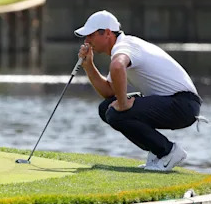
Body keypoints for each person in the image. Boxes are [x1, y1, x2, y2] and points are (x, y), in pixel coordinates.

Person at [76, 10, 201, 171]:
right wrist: (89, 66)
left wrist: (123, 104)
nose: (87, 40)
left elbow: (117, 66)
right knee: (106, 108)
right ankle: (158, 153)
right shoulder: (122, 47)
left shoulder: (124, 46)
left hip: (183, 104)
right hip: (175, 103)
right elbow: (109, 92)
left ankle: (168, 152)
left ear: (107, 33)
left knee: (116, 112)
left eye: (90, 35)